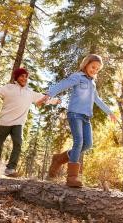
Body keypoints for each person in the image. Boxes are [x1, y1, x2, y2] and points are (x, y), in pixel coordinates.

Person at [44, 54, 117, 187]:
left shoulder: (93, 83)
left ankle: (59, 159)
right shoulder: (78, 77)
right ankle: (72, 177)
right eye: (93, 67)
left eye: (97, 69)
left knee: (87, 144)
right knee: (78, 142)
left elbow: (97, 100)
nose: (94, 70)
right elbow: (64, 84)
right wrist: (49, 93)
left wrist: (109, 112)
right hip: (75, 114)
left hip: (86, 117)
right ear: (86, 64)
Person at [0, 68, 55, 177]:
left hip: (18, 123)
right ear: (16, 78)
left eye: (26, 76)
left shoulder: (30, 93)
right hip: (5, 122)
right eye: (22, 76)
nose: (24, 78)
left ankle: (10, 168)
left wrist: (55, 101)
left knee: (18, 143)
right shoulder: (8, 88)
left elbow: (43, 98)